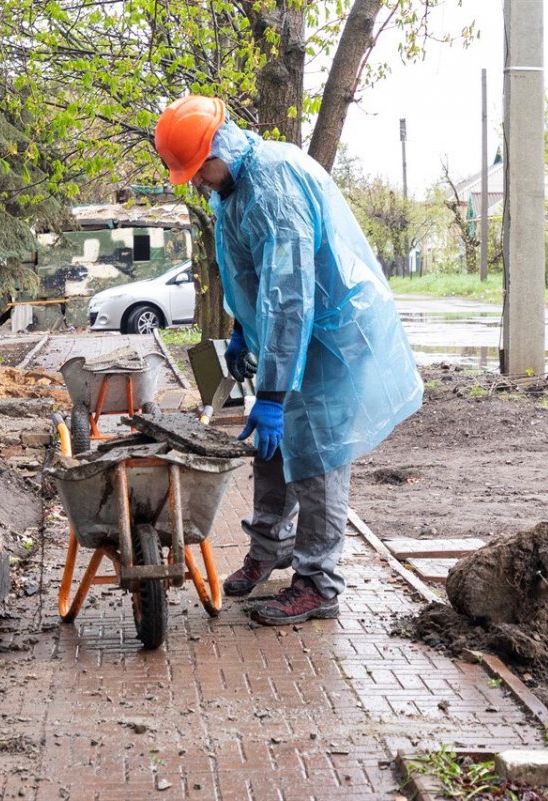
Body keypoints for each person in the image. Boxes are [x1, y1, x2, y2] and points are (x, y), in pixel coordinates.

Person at [154, 95, 423, 625]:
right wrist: (239, 329)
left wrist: (274, 393)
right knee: (272, 447)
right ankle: (270, 548)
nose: (199, 181)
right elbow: (248, 273)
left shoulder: (274, 186)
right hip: (282, 336)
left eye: (200, 169)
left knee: (317, 458)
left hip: (325, 339)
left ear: (219, 147)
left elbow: (292, 296)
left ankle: (318, 584)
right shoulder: (231, 187)